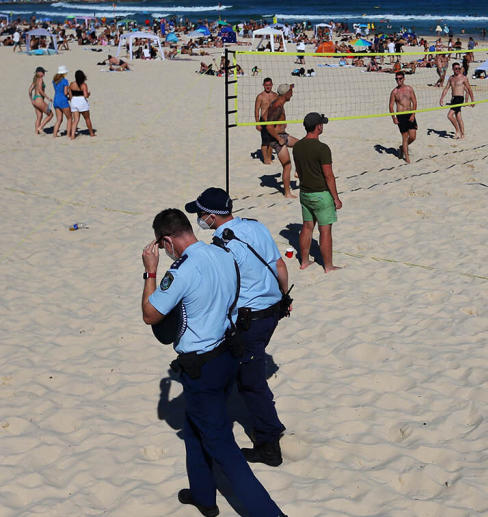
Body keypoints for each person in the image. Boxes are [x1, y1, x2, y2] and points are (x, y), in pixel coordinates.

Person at [141, 208, 285, 517]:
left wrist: (151, 272)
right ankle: (204, 495)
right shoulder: (223, 253)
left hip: (201, 365)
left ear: (167, 241)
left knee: (223, 447)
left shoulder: (182, 270)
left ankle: (270, 513)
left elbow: (151, 315)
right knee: (194, 430)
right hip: (226, 355)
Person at [184, 188, 290, 468]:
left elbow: (224, 289)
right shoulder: (255, 226)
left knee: (251, 383)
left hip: (250, 318)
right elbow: (278, 264)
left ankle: (270, 443)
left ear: (211, 216)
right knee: (241, 370)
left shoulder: (221, 244)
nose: (199, 219)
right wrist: (283, 297)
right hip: (272, 310)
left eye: (200, 214)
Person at [292, 112, 343, 271]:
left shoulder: (298, 146)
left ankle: (304, 262)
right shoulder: (322, 148)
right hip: (321, 195)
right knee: (325, 230)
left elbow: (299, 171)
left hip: (305, 193)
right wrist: (336, 198)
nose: (322, 126)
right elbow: (329, 176)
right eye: (321, 124)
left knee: (307, 227)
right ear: (317, 127)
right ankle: (328, 266)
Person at [264, 83, 300, 198]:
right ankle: (287, 193)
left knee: (301, 145)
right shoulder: (277, 107)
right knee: (287, 166)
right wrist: (278, 139)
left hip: (283, 135)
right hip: (277, 138)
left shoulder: (279, 103)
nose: (292, 94)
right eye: (291, 91)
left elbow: (265, 115)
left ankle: (298, 171)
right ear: (286, 94)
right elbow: (269, 126)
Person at [439, 61, 475, 139]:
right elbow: (446, 88)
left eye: (459, 68)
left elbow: (469, 89)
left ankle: (457, 131)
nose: (458, 70)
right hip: (453, 98)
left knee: (449, 115)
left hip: (459, 98)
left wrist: (472, 100)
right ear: (452, 69)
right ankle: (463, 134)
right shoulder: (451, 78)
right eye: (456, 68)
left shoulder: (463, 78)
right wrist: (441, 98)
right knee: (458, 116)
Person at [389, 71, 418, 163]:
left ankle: (402, 147)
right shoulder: (394, 92)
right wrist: (394, 118)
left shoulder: (409, 89)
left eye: (400, 78)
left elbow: (414, 102)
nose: (398, 80)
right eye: (396, 79)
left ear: (404, 79)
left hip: (410, 114)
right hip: (400, 116)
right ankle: (407, 158)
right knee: (405, 137)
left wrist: (413, 114)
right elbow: (390, 106)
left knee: (413, 137)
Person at [255, 77, 278, 164]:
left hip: (273, 121)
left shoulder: (275, 95)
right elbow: (256, 110)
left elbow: (280, 109)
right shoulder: (260, 96)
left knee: (272, 141)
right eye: (266, 85)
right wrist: (257, 123)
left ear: (272, 85)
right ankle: (265, 159)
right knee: (265, 141)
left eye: (269, 85)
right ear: (263, 85)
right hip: (264, 121)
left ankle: (269, 157)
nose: (268, 87)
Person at [67, 70, 94, 139]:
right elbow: (85, 95)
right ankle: (91, 133)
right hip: (82, 102)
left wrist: (71, 100)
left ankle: (72, 135)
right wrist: (88, 94)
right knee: (87, 118)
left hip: (74, 101)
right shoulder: (83, 85)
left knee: (75, 120)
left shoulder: (72, 84)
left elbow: (70, 94)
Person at [28, 66, 53, 135]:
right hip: (39, 99)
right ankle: (40, 128)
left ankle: (36, 133)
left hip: (35, 99)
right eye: (43, 72)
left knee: (39, 117)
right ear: (39, 73)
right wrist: (47, 98)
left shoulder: (35, 80)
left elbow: (29, 90)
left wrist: (31, 100)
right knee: (50, 114)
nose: (44, 73)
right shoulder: (40, 79)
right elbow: (40, 90)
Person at [51, 65, 71, 137]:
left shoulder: (54, 81)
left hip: (56, 99)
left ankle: (54, 134)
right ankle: (68, 134)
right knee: (69, 118)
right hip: (63, 100)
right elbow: (65, 93)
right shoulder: (65, 81)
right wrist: (70, 93)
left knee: (59, 119)